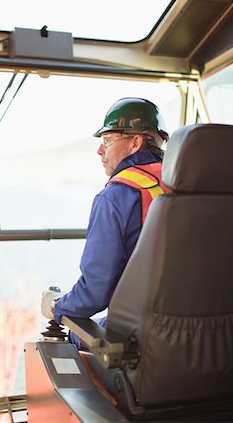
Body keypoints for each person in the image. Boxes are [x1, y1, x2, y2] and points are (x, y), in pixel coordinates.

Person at [41, 97, 170, 344]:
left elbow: (95, 291)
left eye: (107, 140)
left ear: (135, 142)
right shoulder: (186, 188)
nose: (100, 150)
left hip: (143, 339)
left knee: (66, 337)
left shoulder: (115, 197)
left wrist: (56, 307)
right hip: (206, 336)